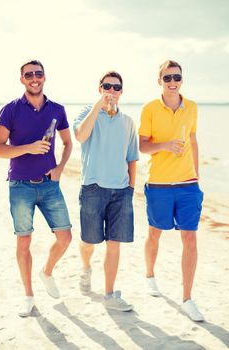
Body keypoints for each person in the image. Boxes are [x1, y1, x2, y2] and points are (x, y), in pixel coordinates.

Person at [0, 59, 72, 317]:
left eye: (38, 73)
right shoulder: (10, 110)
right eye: (29, 75)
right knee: (24, 241)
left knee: (65, 238)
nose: (34, 78)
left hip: (50, 185)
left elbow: (68, 143)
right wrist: (28, 147)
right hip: (20, 186)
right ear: (22, 79)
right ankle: (28, 295)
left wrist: (60, 167)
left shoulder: (57, 110)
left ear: (45, 77)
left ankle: (46, 271)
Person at [139, 60, 204, 322]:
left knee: (190, 238)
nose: (172, 81)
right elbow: (143, 146)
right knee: (155, 233)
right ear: (160, 81)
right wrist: (165, 145)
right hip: (159, 184)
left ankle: (187, 298)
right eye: (167, 78)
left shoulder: (193, 107)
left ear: (182, 79)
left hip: (188, 184)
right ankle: (149, 275)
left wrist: (197, 177)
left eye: (176, 77)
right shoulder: (150, 109)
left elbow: (193, 140)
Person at [73, 71, 139, 312]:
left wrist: (131, 188)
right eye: (106, 86)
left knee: (114, 244)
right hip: (93, 188)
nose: (111, 90)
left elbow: (132, 158)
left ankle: (109, 294)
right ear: (99, 88)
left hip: (121, 192)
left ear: (122, 91)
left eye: (116, 87)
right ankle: (85, 267)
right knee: (89, 241)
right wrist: (99, 105)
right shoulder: (86, 113)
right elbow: (80, 136)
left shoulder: (129, 122)